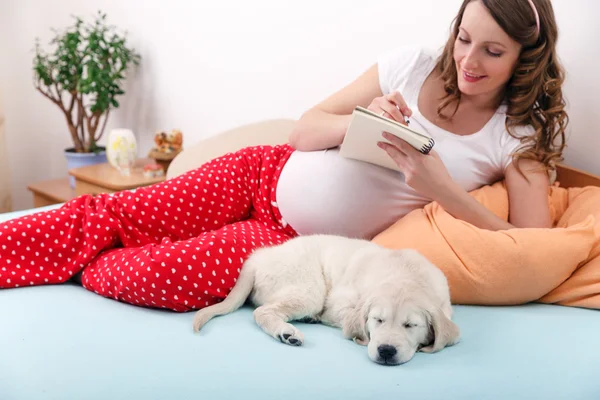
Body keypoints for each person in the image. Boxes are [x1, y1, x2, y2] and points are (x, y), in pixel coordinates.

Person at [0, 0, 567, 312]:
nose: (469, 59)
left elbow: (528, 250)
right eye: (463, 38)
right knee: (114, 211)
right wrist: (362, 120)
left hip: (298, 246)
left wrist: (441, 186)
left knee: (164, 275)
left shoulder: (518, 138)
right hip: (263, 174)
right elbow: (304, 130)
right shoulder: (413, 64)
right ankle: (52, 248)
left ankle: (77, 264)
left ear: (526, 58)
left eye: (492, 51)